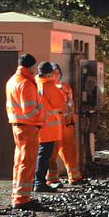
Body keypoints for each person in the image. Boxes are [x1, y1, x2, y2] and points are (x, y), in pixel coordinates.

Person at [5, 53, 44, 209]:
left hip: (18, 126)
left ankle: (18, 194)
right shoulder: (26, 83)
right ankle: (22, 199)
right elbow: (29, 111)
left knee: (20, 161)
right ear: (31, 66)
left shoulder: (12, 81)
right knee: (27, 162)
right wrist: (42, 116)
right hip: (28, 126)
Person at [46, 63, 83, 186]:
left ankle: (74, 177)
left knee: (70, 151)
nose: (56, 76)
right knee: (52, 154)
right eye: (53, 73)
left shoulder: (66, 87)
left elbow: (70, 105)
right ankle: (51, 178)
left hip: (66, 125)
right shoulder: (47, 87)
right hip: (53, 126)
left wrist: (71, 120)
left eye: (58, 73)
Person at [34, 62, 65, 193]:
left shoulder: (34, 82)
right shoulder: (48, 84)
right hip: (49, 127)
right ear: (50, 73)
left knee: (36, 154)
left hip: (36, 124)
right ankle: (40, 182)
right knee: (45, 155)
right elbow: (59, 102)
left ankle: (35, 181)